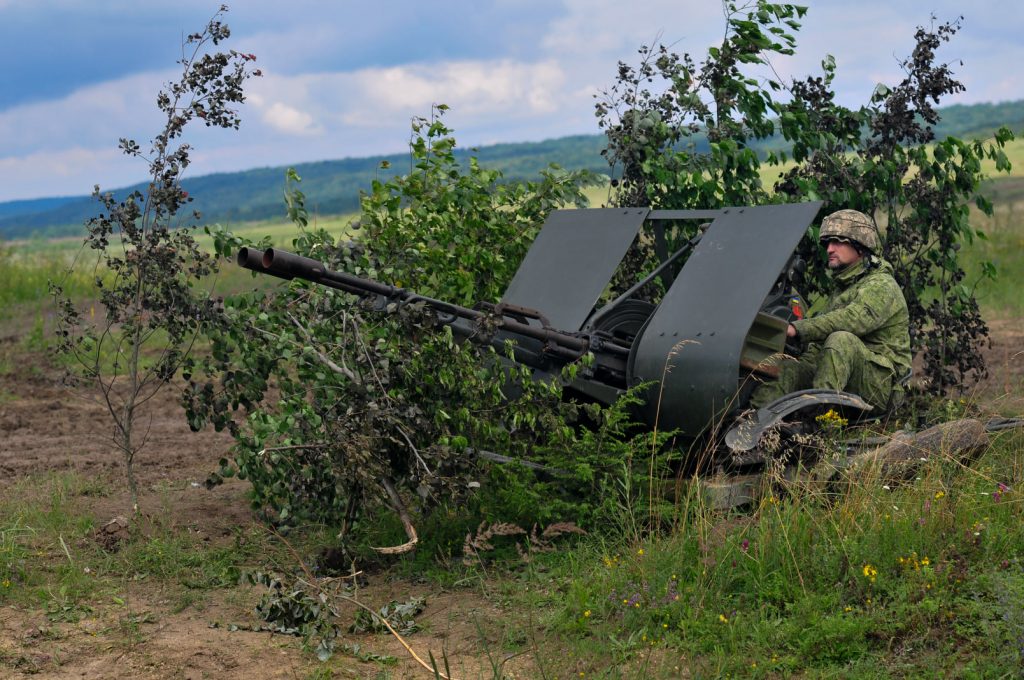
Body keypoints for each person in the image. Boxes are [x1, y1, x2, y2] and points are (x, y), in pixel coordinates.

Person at [750, 209, 912, 412]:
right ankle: (752, 428)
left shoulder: (881, 284)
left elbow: (851, 320)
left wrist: (797, 329)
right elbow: (818, 347)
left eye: (837, 241)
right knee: (786, 369)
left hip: (880, 388)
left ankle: (821, 427)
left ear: (860, 246)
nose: (829, 249)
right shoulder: (842, 288)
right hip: (845, 376)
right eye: (827, 243)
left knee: (841, 339)